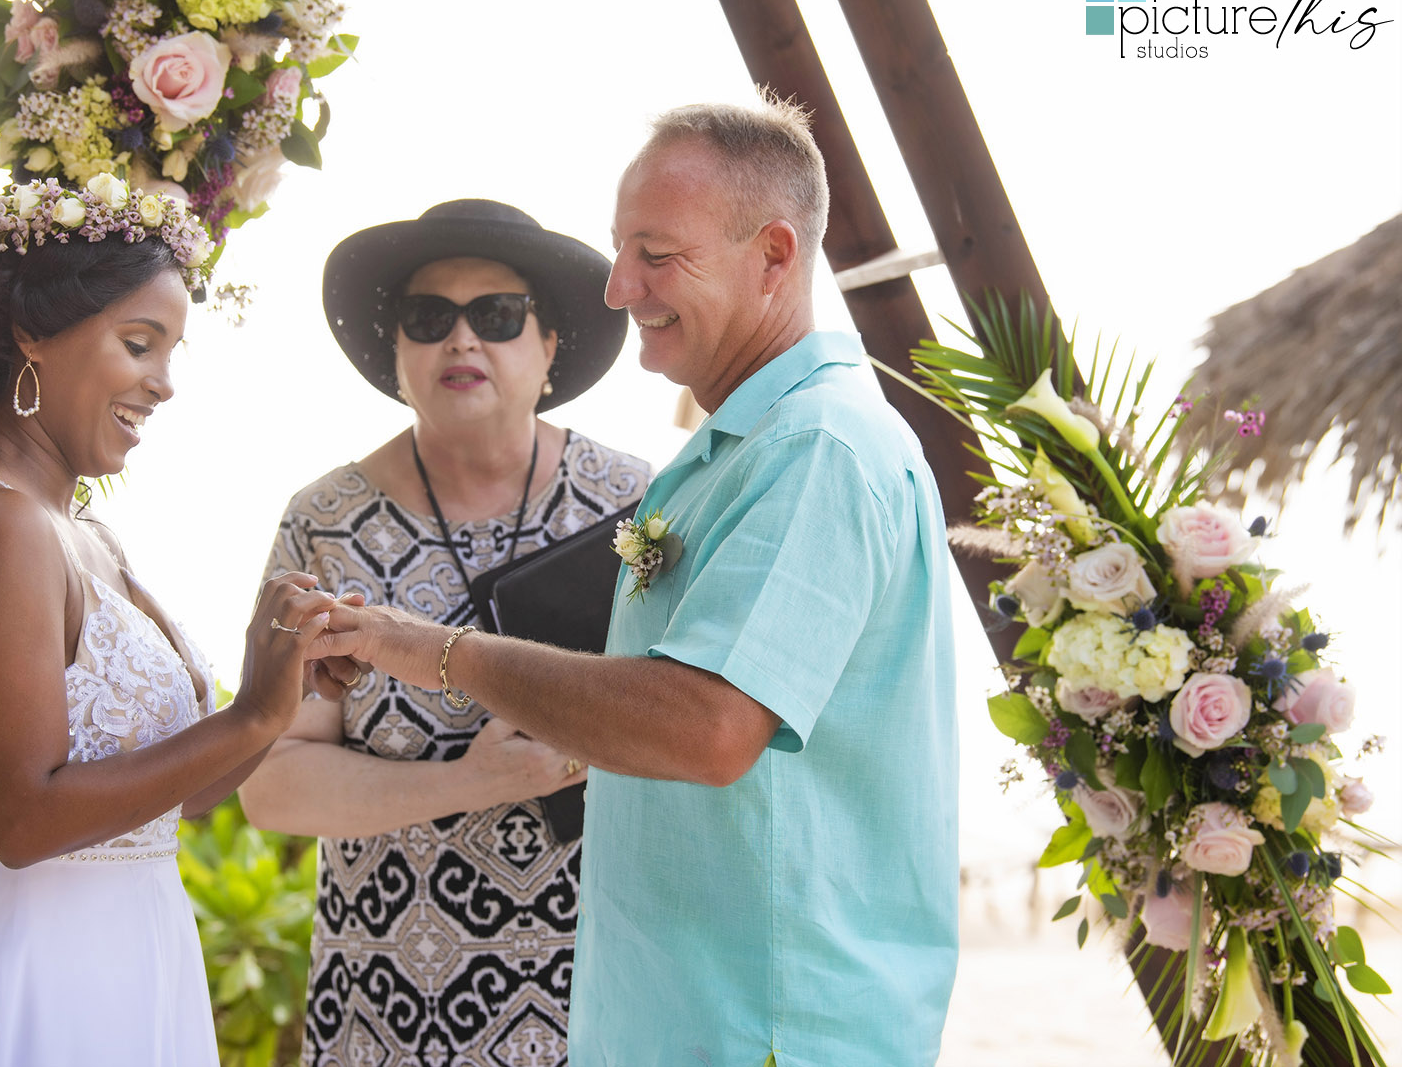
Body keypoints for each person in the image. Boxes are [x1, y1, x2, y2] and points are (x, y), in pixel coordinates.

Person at [304, 100, 961, 1067]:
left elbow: (704, 725)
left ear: (774, 256)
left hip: (768, 1023)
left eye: (655, 254)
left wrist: (432, 651)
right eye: (620, 251)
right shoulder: (728, 454)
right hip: (678, 1012)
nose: (618, 289)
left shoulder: (817, 449)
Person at [0, 175, 342, 1067]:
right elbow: (22, 823)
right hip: (34, 971)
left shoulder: (84, 533)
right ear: (30, 334)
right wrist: (253, 719)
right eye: (138, 344)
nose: (162, 385)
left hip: (130, 956)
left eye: (170, 353)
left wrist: (281, 682)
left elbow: (177, 803)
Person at [238, 199, 650, 1065]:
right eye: (429, 319)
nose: (462, 342)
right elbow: (271, 786)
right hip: (388, 1006)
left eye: (497, 317)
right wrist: (476, 781)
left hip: (610, 992)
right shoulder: (323, 522)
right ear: (396, 355)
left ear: (549, 349)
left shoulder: (638, 504)